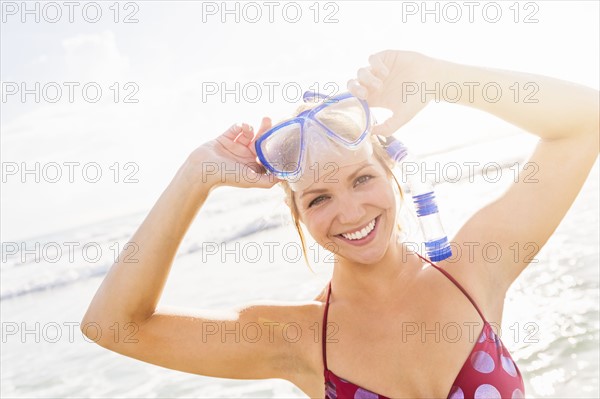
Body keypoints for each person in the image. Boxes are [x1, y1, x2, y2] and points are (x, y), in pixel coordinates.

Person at [81, 50, 599, 398]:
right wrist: (195, 176)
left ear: (390, 171)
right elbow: (115, 326)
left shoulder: (473, 271)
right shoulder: (299, 338)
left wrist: (439, 78)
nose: (349, 212)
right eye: (320, 197)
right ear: (297, 213)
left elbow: (585, 120)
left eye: (361, 179)